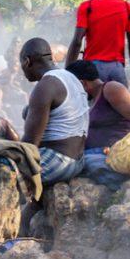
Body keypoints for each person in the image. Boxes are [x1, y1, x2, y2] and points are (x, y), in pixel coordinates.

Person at [66, 59, 130, 186]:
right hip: (99, 153)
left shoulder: (110, 89)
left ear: (83, 83)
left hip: (117, 151)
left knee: (76, 164)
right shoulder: (90, 101)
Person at [65, 0, 130, 103]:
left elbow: (77, 42)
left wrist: (67, 73)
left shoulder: (87, 7)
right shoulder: (127, 7)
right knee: (122, 113)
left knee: (92, 111)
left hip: (93, 71)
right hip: (117, 69)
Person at [21, 38, 89, 185]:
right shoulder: (69, 76)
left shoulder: (45, 86)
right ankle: (34, 207)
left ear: (27, 61)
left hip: (59, 161)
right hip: (78, 160)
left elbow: (30, 145)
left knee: (1, 173)